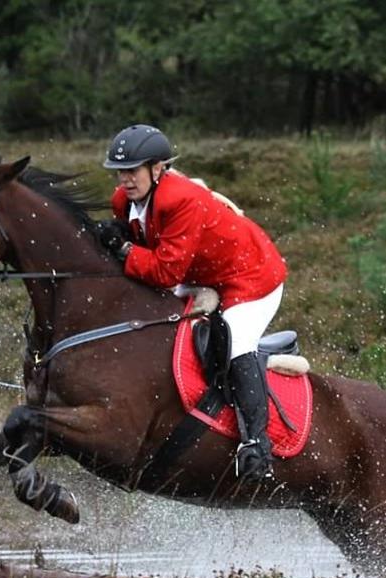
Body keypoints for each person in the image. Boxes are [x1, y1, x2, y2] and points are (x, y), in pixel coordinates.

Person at [95, 124, 287, 481]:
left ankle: (256, 446)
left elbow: (165, 272)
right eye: (120, 171)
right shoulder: (124, 200)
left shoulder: (180, 199)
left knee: (236, 344)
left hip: (251, 277)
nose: (125, 179)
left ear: (157, 168)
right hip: (199, 275)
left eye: (132, 170)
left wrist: (122, 249)